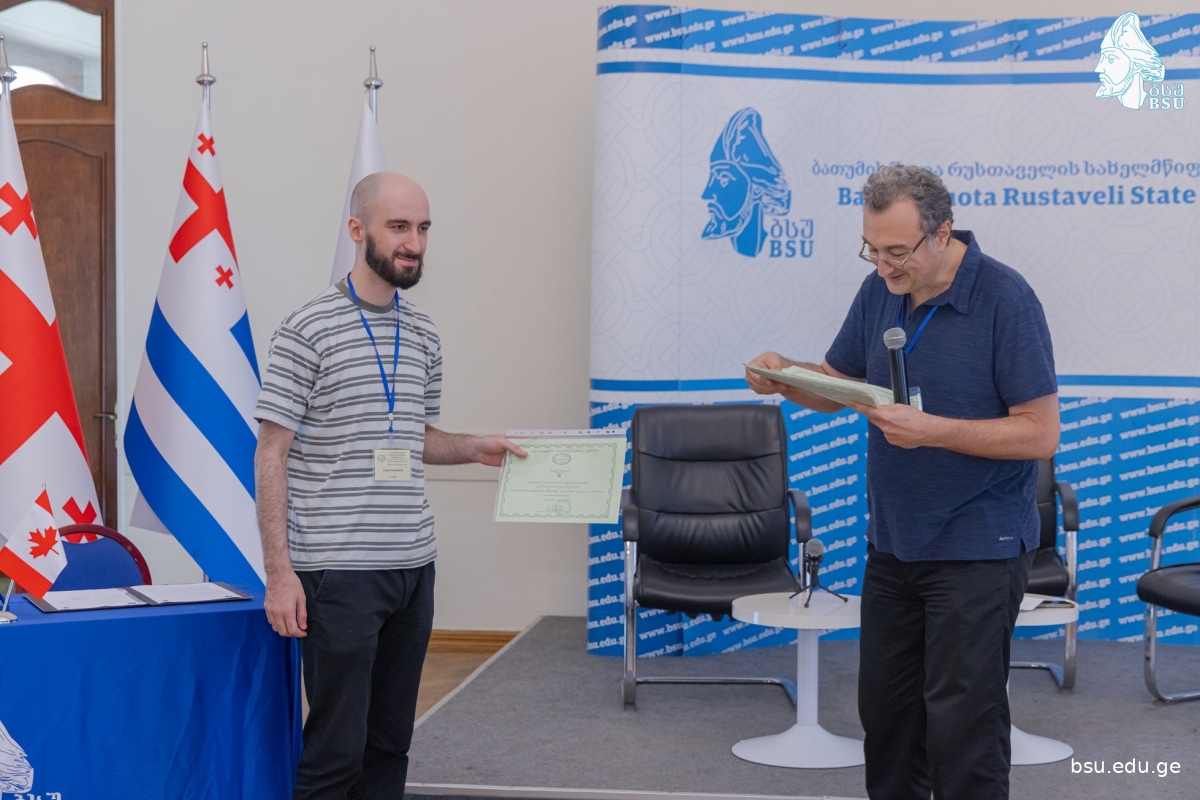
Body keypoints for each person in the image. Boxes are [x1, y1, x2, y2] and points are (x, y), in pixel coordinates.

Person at [746, 165, 1059, 800]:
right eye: (871, 249)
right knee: (887, 719)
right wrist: (785, 377)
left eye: (896, 251)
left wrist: (933, 431)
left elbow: (1038, 433)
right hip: (893, 543)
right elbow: (839, 386)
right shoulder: (879, 291)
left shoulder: (1006, 298)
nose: (883, 266)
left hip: (979, 546)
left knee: (963, 726)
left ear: (942, 233)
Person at [254, 171, 527, 800]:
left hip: (412, 569)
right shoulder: (306, 329)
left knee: (389, 746)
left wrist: (473, 447)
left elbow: (411, 437)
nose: (415, 243)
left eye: (423, 228)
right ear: (357, 230)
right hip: (338, 574)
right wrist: (279, 573)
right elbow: (271, 453)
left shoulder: (424, 333)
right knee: (336, 751)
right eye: (399, 227)